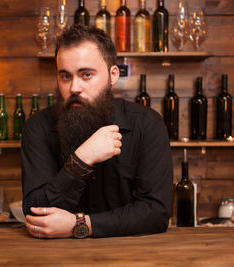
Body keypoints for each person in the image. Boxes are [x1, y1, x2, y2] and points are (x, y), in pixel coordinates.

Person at [21, 24, 173, 239]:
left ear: (112, 75)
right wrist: (82, 159)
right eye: (65, 76)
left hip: (132, 256)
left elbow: (156, 214)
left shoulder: (148, 125)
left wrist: (79, 224)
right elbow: (36, 213)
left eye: (86, 75)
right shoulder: (38, 127)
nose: (74, 88)